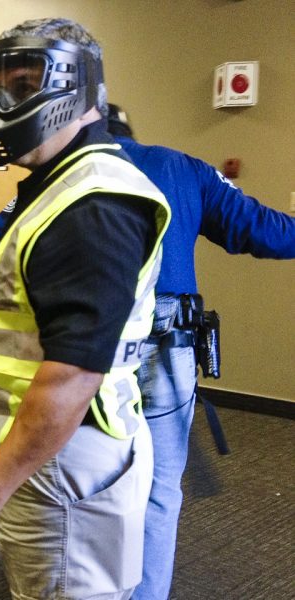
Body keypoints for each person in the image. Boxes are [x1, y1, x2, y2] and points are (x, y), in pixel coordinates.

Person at [0, 18, 171, 600]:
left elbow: (74, 370)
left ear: (82, 93)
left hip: (63, 451)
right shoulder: (61, 185)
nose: (5, 102)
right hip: (55, 447)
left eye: (27, 83)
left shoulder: (91, 201)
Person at [105, 105, 295, 600]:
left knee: (88, 482)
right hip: (171, 346)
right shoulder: (180, 167)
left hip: (89, 351)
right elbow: (264, 229)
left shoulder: (63, 173)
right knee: (161, 490)